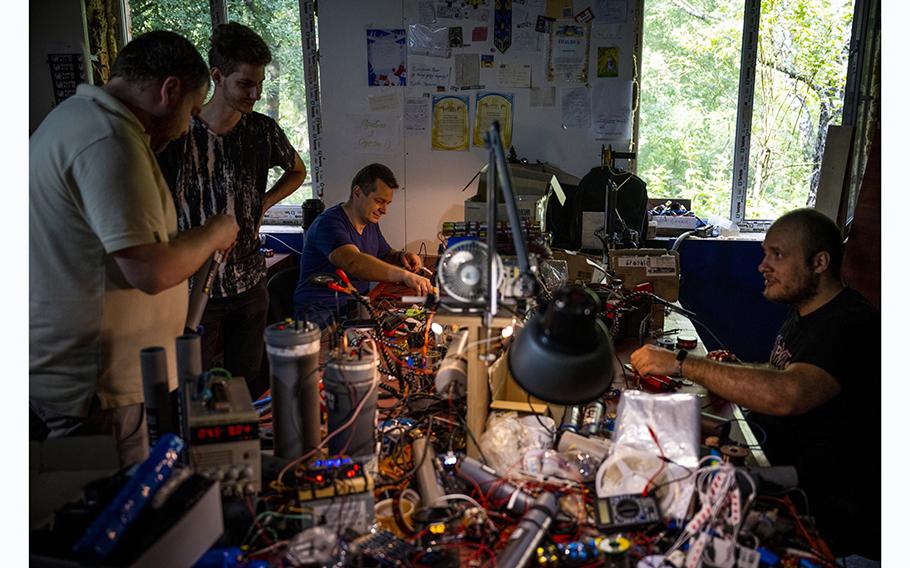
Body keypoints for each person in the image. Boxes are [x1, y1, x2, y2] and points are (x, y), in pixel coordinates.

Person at [30, 31, 240, 466]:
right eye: (192, 112)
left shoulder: (75, 119)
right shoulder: (109, 141)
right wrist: (216, 233)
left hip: (93, 381)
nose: (186, 128)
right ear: (169, 91)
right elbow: (150, 271)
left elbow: (132, 249)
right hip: (98, 390)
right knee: (116, 521)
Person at [630, 208, 880, 560]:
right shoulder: (807, 312)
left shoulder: (850, 324)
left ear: (820, 262)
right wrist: (736, 371)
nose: (763, 266)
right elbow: (784, 372)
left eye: (777, 255)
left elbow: (787, 393)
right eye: (765, 254)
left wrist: (683, 364)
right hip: (780, 463)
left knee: (670, 497)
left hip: (820, 503)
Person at [158, 22, 306, 398]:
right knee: (193, 387)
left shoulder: (263, 130)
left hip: (249, 280)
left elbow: (297, 170)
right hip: (193, 288)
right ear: (217, 76)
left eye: (258, 84)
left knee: (250, 383)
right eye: (245, 84)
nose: (254, 93)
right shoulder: (179, 132)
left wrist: (265, 202)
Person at [294, 163, 433, 327]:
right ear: (357, 193)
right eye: (379, 201)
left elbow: (384, 254)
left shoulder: (369, 223)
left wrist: (402, 257)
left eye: (387, 203)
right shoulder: (328, 224)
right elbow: (354, 262)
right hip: (321, 315)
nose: (384, 210)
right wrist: (404, 276)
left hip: (356, 307)